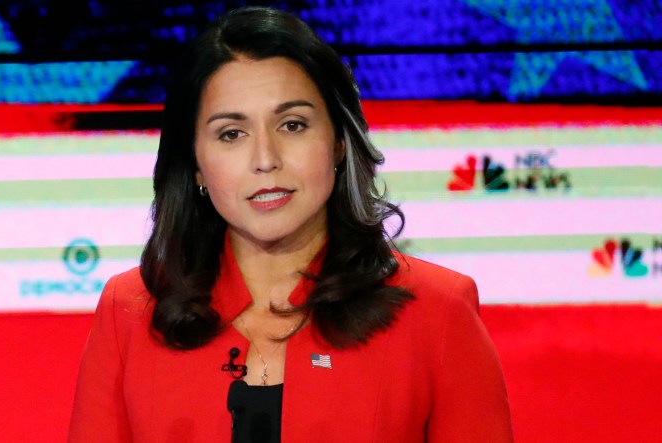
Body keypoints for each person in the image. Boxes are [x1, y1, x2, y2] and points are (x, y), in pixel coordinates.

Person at [69, 6, 513, 442]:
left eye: (293, 125)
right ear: (196, 165)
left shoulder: (438, 313)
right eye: (231, 134)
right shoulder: (128, 313)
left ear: (339, 142)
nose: (266, 160)